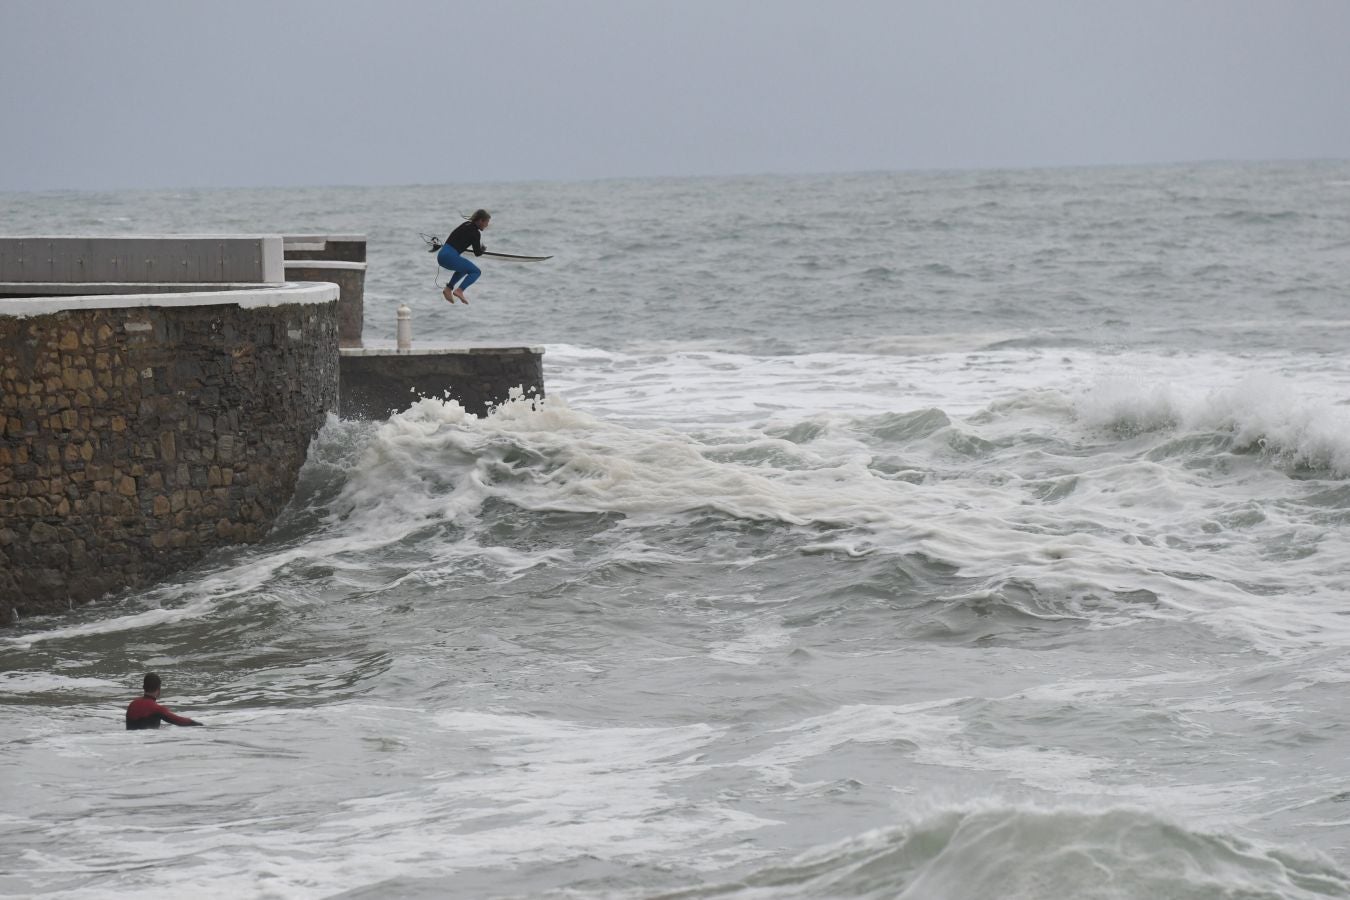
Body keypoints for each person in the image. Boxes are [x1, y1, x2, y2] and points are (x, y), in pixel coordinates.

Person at [437, 209, 491, 304]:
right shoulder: (476, 233)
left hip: (441, 255)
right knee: (476, 271)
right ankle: (460, 290)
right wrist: (482, 249)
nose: (487, 225)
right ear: (480, 220)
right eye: (486, 222)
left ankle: (448, 288)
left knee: (464, 268)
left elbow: (457, 239)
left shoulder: (465, 224)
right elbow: (477, 253)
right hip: (450, 257)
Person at [125, 673, 204, 730]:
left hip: (131, 742)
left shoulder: (132, 704)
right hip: (148, 741)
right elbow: (179, 721)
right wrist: (199, 724)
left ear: (143, 687)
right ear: (159, 690)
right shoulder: (157, 709)